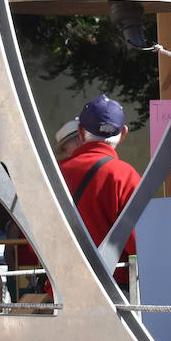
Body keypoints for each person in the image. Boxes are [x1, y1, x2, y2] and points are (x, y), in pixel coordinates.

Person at [58, 94, 141, 289]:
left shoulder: (53, 173)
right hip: (113, 290)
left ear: (80, 132)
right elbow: (138, 244)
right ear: (123, 134)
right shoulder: (124, 174)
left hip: (63, 288)